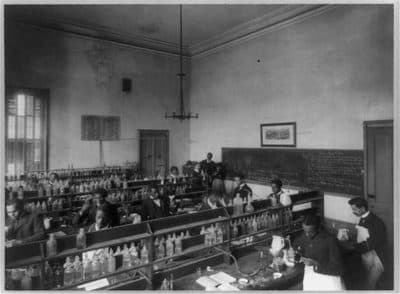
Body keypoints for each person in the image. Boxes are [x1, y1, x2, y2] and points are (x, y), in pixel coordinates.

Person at [293, 214, 345, 291]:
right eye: (305, 231)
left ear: (319, 228)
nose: (307, 235)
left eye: (310, 232)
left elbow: (339, 269)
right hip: (310, 277)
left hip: (328, 279)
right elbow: (297, 245)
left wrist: (315, 263)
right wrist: (294, 252)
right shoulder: (305, 235)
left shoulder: (330, 240)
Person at [347, 197, 387, 290]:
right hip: (366, 255)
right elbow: (362, 237)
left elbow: (371, 243)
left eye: (354, 209)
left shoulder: (376, 222)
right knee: (367, 281)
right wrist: (349, 238)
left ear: (363, 209)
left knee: (369, 285)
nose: (353, 211)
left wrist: (353, 246)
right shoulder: (363, 218)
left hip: (377, 257)